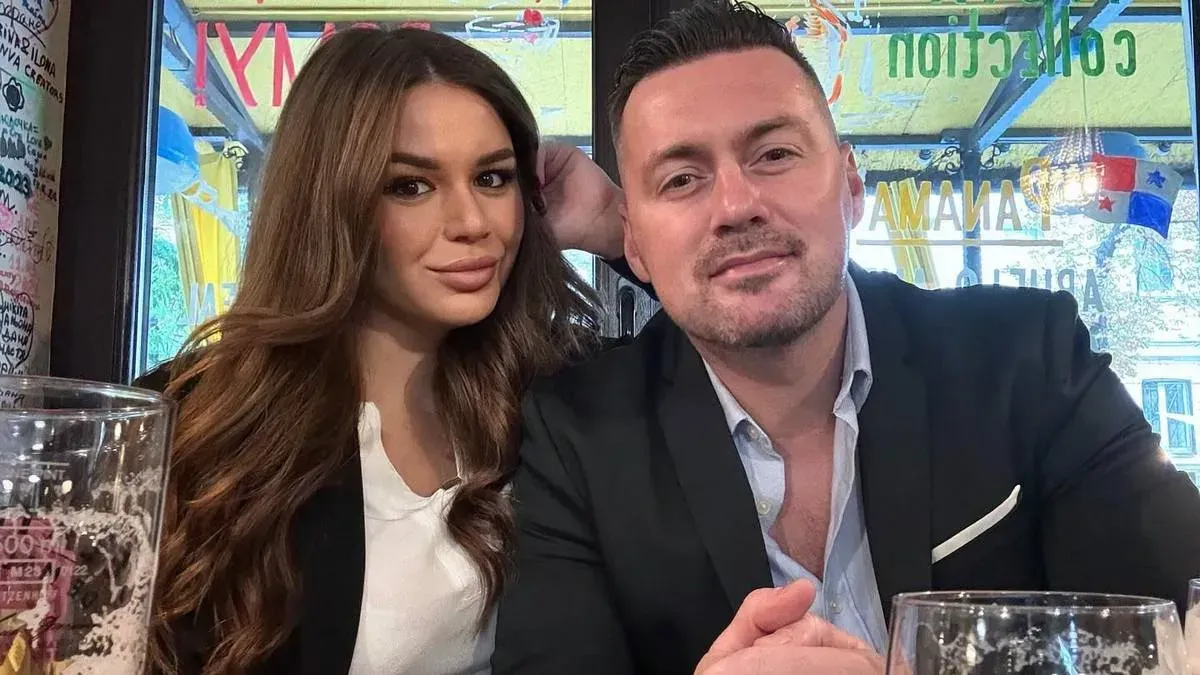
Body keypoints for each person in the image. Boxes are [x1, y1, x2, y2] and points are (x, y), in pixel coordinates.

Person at [491, 1, 1200, 673]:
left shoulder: (1027, 359)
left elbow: (1176, 622)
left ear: (851, 186)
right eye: (680, 180)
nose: (736, 205)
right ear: (633, 243)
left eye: (774, 154)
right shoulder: (576, 435)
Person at [134, 26, 631, 674]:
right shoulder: (187, 427)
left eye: (492, 177)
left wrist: (617, 224)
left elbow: (738, 359)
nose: (472, 222)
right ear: (328, 199)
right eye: (410, 186)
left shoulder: (561, 392)